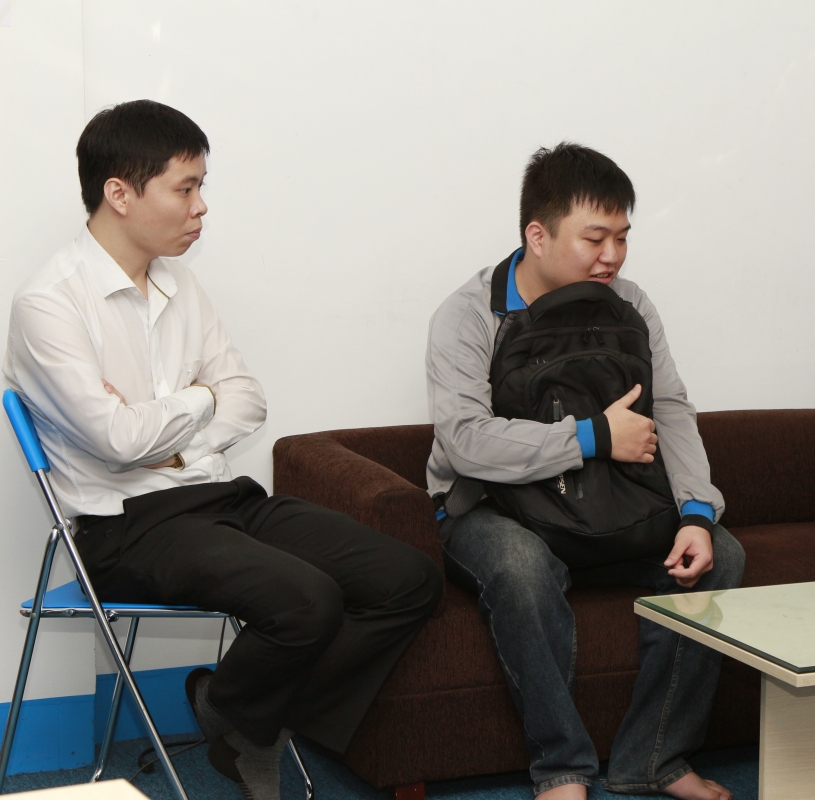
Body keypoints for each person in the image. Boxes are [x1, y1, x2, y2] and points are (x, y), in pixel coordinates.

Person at [3, 100, 443, 800]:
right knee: (307, 601)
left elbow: (247, 399)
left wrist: (174, 428)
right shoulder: (48, 305)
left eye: (201, 186)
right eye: (185, 188)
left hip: (219, 497)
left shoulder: (180, 283)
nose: (201, 206)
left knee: (408, 578)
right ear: (120, 193)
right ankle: (250, 721)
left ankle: (241, 714)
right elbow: (117, 442)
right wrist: (198, 401)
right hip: (127, 526)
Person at [425, 143, 744, 800]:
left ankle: (653, 758)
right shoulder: (468, 314)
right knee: (520, 567)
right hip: (493, 507)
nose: (612, 256)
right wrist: (594, 437)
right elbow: (465, 443)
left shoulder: (629, 304)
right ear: (537, 236)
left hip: (608, 502)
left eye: (622, 238)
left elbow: (671, 408)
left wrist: (695, 511)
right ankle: (561, 769)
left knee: (721, 554)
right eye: (594, 239)